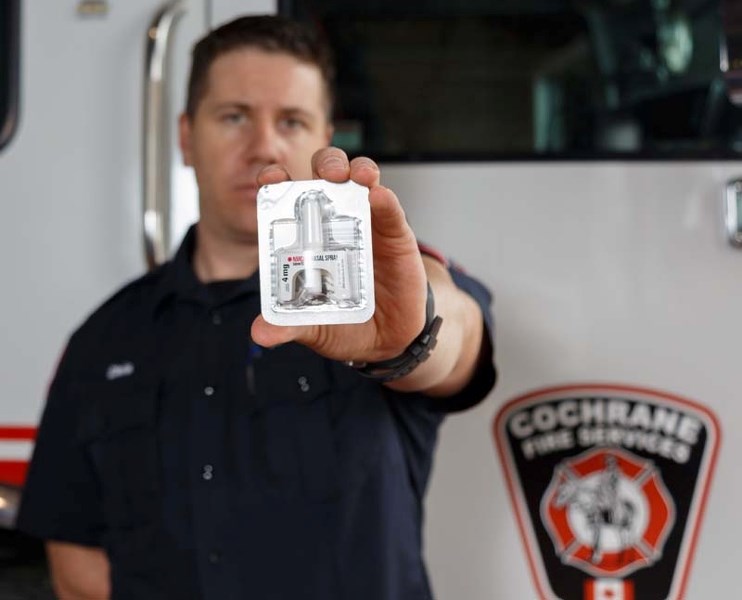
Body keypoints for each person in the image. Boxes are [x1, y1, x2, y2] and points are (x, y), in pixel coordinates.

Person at [17, 15, 496, 600]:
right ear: (187, 138)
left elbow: (458, 338)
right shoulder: (103, 339)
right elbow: (75, 557)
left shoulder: (377, 288)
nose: (263, 145)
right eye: (234, 116)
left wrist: (409, 338)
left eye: (291, 121)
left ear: (325, 137)